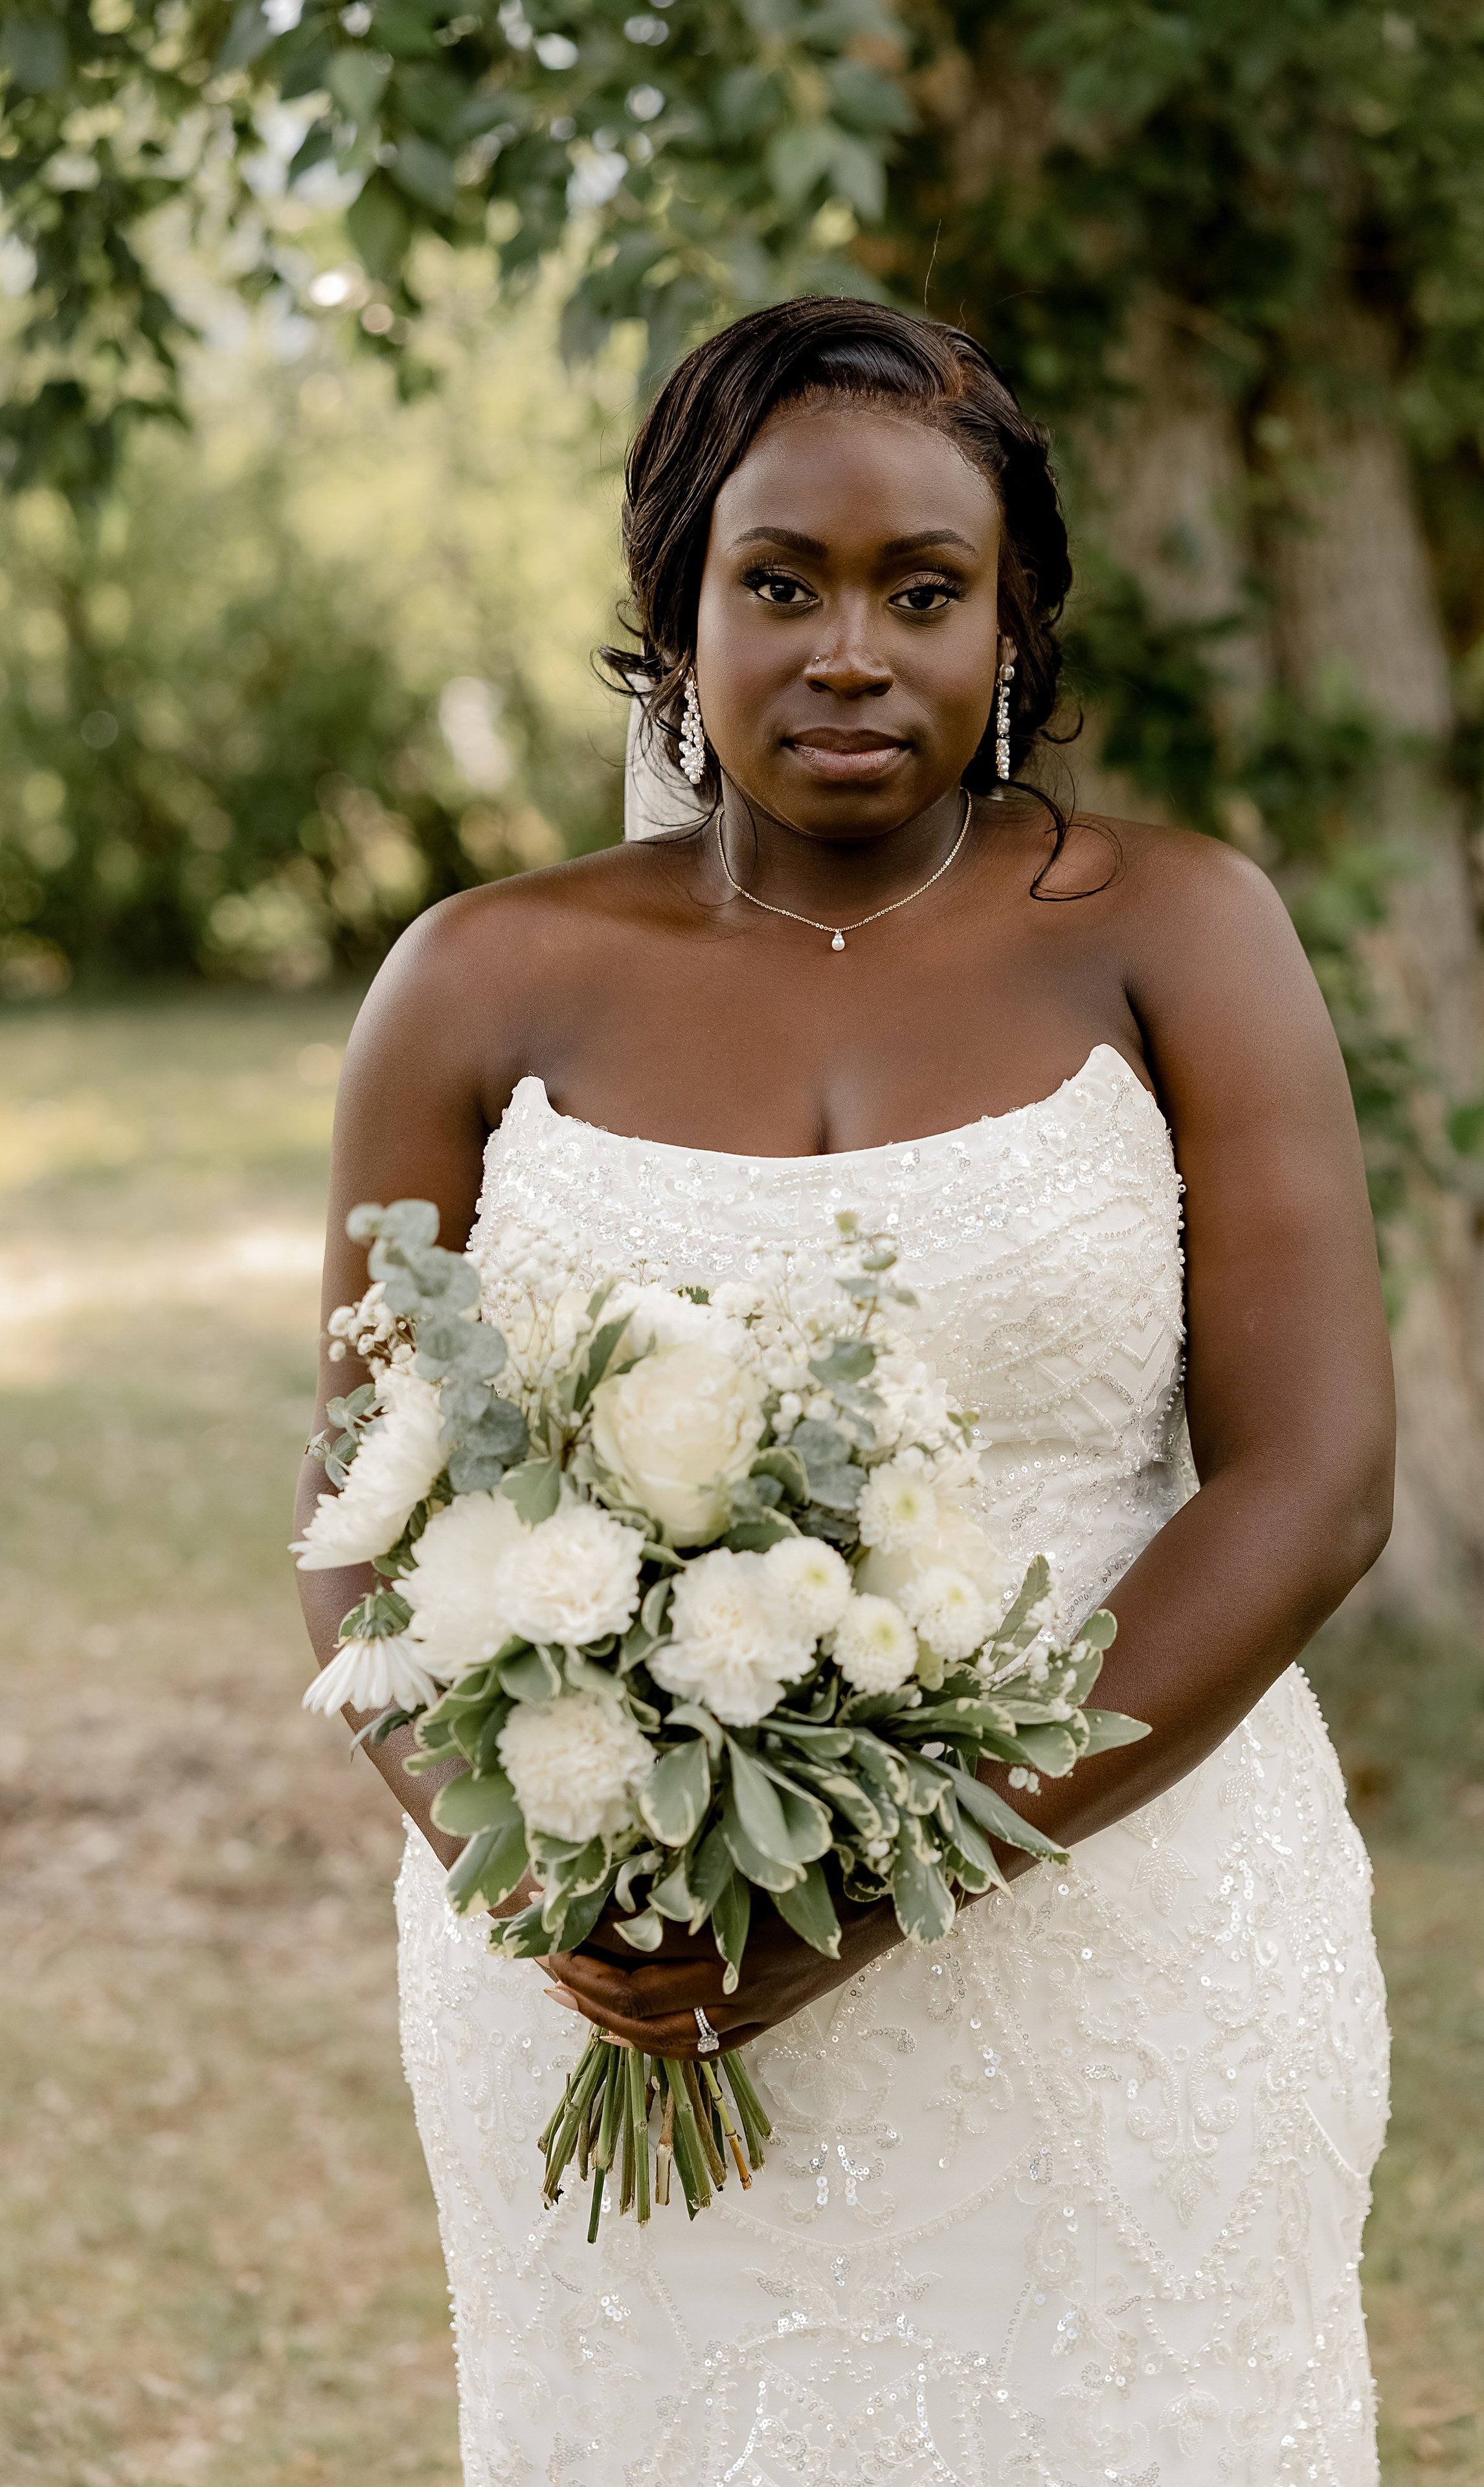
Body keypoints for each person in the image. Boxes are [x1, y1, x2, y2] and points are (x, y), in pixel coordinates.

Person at [296, 297, 1395, 2487]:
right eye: (779, 583)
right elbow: (355, 1529)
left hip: (1120, 1933)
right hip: (616, 1971)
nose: (851, 651)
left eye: (925, 590)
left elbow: (1316, 1482)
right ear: (676, 605)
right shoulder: (479, 980)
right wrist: (554, 1910)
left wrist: (883, 1891)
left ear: (1015, 624)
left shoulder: (1176, 930)